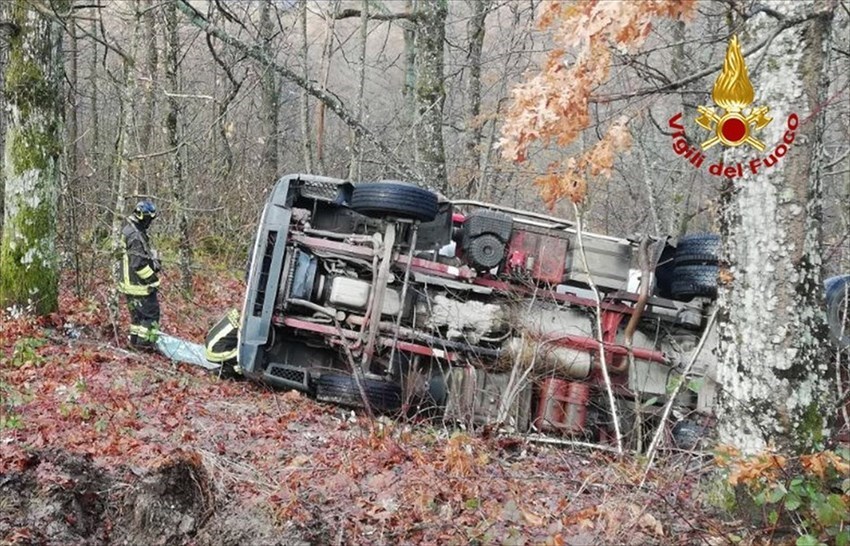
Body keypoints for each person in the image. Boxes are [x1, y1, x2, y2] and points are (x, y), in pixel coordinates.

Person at [118, 200, 161, 350]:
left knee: (137, 318)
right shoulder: (136, 236)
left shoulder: (128, 230)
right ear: (143, 217)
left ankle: (135, 344)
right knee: (150, 316)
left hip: (129, 284)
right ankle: (145, 347)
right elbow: (139, 264)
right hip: (140, 286)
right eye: (150, 219)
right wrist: (153, 279)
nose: (150, 222)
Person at [204, 308, 242, 378]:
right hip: (217, 351)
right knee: (244, 359)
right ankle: (225, 371)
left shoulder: (240, 310)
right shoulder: (246, 323)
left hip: (211, 342)